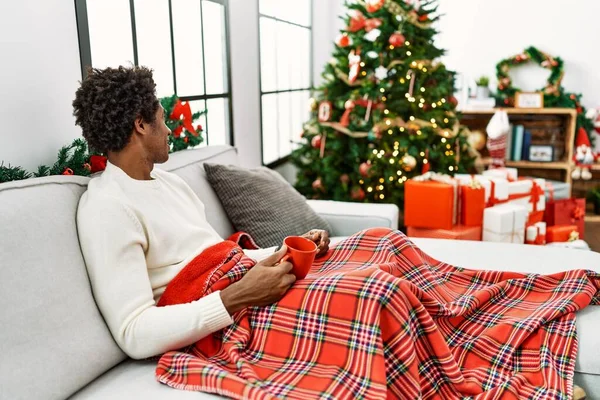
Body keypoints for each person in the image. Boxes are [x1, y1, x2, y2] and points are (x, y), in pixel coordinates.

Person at [74, 66, 330, 360]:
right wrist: (237, 297)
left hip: (241, 291)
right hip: (227, 320)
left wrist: (284, 250)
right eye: (162, 119)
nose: (169, 130)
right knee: (374, 292)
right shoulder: (107, 208)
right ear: (141, 125)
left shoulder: (171, 183)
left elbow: (218, 256)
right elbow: (134, 332)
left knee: (383, 244)